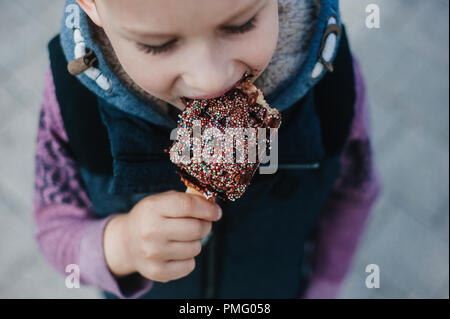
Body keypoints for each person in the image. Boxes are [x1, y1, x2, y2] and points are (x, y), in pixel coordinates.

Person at [33, 0, 382, 299]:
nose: (210, 79)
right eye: (159, 45)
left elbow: (355, 192)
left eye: (242, 24)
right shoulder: (73, 99)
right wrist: (121, 246)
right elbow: (54, 228)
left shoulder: (330, 82)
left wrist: (323, 285)